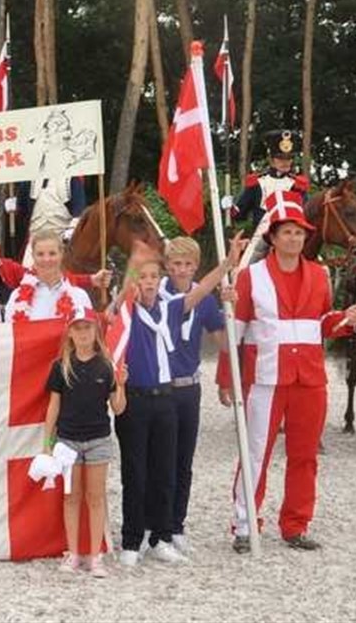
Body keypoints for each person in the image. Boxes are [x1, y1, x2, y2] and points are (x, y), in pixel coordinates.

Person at [216, 192, 356, 553]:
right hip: (265, 378)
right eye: (287, 232)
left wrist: (346, 319)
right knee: (255, 452)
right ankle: (244, 524)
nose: (294, 239)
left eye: (299, 233)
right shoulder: (250, 277)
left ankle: (296, 525)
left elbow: (321, 323)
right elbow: (235, 330)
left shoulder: (319, 274)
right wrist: (226, 377)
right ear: (273, 237)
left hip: (309, 380)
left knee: (305, 456)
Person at [115, 235, 243, 568]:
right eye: (143, 278)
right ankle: (136, 535)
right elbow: (116, 305)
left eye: (153, 277)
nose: (149, 283)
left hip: (175, 394)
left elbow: (205, 301)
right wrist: (131, 271)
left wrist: (229, 270)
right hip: (142, 394)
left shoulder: (178, 305)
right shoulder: (134, 305)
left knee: (172, 467)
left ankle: (166, 532)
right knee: (139, 469)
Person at [157, 237, 227, 554]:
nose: (181, 270)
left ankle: (176, 524)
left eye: (187, 264)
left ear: (196, 266)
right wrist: (225, 267)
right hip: (161, 387)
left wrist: (231, 310)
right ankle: (155, 526)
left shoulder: (207, 300)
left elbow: (223, 343)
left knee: (184, 461)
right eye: (176, 264)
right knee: (161, 460)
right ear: (167, 265)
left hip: (189, 387)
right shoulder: (157, 294)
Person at [43, 308, 126, 576]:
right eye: (77, 328)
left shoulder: (106, 365)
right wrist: (47, 441)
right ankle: (74, 553)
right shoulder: (60, 367)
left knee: (96, 497)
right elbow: (54, 406)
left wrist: (122, 385)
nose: (82, 333)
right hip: (68, 441)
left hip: (98, 439)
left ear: (96, 331)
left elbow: (118, 408)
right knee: (71, 497)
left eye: (87, 327)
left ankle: (95, 556)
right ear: (69, 332)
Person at [228, 129, 310, 227]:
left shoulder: (297, 186)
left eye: (288, 158)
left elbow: (307, 215)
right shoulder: (257, 183)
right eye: (280, 158)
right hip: (261, 234)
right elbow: (239, 214)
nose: (285, 162)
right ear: (271, 160)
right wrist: (229, 207)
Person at [5, 232, 93, 322]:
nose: (46, 259)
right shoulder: (16, 297)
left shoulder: (79, 296)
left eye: (52, 253)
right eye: (40, 254)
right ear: (33, 256)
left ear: (62, 254)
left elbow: (87, 329)